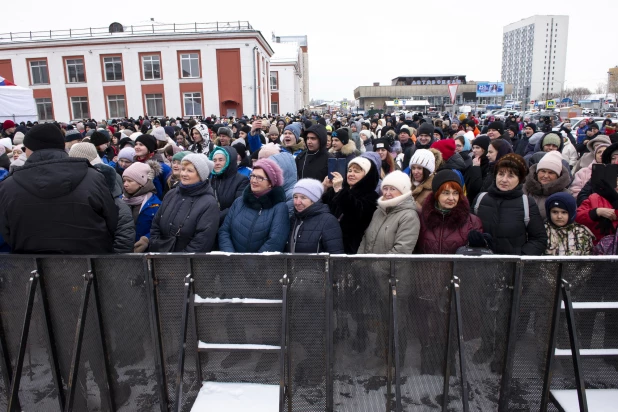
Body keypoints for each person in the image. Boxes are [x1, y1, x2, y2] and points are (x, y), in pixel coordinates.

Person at [0, 123, 118, 253]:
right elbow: (112, 220)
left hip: (32, 267)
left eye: (24, 148)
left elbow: (6, 230)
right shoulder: (93, 177)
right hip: (90, 265)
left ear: (31, 149)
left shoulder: (8, 186)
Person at [472, 154, 548, 255]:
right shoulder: (481, 199)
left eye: (511, 176)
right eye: (501, 174)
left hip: (512, 267)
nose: (504, 180)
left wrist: (520, 257)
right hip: (482, 265)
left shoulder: (527, 203)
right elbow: (468, 228)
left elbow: (539, 239)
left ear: (519, 179)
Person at [150, 154, 219, 252]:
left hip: (187, 264)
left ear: (201, 175)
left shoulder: (209, 203)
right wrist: (156, 246)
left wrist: (181, 261)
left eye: (190, 171)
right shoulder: (171, 194)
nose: (184, 174)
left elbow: (202, 241)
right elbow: (156, 224)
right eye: (183, 169)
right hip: (161, 257)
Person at [218, 158, 290, 252]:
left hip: (262, 265)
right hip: (232, 263)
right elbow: (224, 231)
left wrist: (254, 264)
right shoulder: (239, 202)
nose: (254, 181)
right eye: (252, 176)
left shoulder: (279, 208)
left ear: (271, 183)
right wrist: (231, 257)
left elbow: (275, 241)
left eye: (260, 178)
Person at [322, 156, 380, 254]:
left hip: (352, 249)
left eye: (356, 171)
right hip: (332, 244)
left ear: (367, 175)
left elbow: (356, 213)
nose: (351, 174)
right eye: (349, 170)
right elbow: (323, 208)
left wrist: (340, 191)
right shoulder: (341, 190)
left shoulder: (371, 196)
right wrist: (325, 188)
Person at [416, 169, 483, 254]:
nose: (451, 198)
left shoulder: (473, 222)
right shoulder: (420, 218)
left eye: (455, 193)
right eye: (446, 193)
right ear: (437, 194)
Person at [358, 170, 420, 254]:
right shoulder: (378, 211)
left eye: (392, 189)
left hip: (390, 267)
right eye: (385, 188)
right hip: (367, 266)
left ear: (403, 192)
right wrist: (359, 262)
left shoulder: (409, 216)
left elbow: (401, 251)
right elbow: (365, 240)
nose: (387, 193)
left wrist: (374, 266)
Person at [286, 178, 344, 253]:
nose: (297, 202)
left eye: (303, 197)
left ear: (314, 200)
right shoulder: (294, 219)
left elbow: (336, 256)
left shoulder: (328, 221)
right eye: (295, 197)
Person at [122, 162, 162, 252]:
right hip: (123, 250)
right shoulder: (120, 201)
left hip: (145, 251)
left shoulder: (155, 204)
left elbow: (159, 228)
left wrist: (146, 239)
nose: (125, 184)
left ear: (141, 183)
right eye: (124, 181)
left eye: (130, 181)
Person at [523, 150, 572, 220]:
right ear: (537, 173)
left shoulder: (565, 194)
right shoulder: (524, 189)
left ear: (557, 176)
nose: (546, 176)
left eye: (551, 173)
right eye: (543, 171)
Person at [209, 146, 249, 226]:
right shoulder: (211, 180)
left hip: (228, 225)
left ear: (229, 160)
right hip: (209, 225)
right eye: (214, 160)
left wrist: (215, 218)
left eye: (221, 160)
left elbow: (237, 206)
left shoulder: (242, 180)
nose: (217, 163)